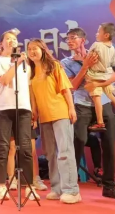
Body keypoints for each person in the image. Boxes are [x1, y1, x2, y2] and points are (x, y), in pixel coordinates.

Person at [61, 27, 115, 201]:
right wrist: (85, 66)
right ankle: (70, 187)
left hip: (102, 101)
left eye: (73, 38)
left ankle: (109, 187)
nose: (69, 41)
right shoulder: (66, 62)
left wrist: (98, 82)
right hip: (81, 104)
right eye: (67, 39)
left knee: (109, 144)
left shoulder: (98, 51)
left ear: (83, 40)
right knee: (79, 141)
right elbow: (72, 86)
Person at [27, 39, 80, 204]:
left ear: (43, 49)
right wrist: (34, 114)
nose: (32, 51)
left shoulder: (54, 66)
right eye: (29, 49)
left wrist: (71, 108)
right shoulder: (31, 72)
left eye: (35, 48)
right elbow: (33, 97)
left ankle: (72, 190)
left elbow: (66, 89)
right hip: (44, 117)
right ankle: (57, 189)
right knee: (50, 154)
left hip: (60, 113)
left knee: (65, 152)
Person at [0, 29, 37, 201]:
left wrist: (33, 109)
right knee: (2, 147)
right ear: (1, 44)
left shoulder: (26, 64)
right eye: (7, 39)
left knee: (25, 148)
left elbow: (29, 87)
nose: (11, 41)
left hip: (23, 108)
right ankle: (2, 185)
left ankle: (29, 186)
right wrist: (16, 63)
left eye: (14, 39)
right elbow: (4, 80)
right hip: (2, 109)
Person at [84, 23, 115, 132]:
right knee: (111, 95)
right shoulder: (112, 48)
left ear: (106, 35)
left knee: (97, 97)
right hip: (106, 75)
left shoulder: (97, 45)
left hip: (95, 75)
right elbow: (114, 63)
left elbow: (88, 58)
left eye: (99, 31)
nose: (96, 33)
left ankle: (100, 122)